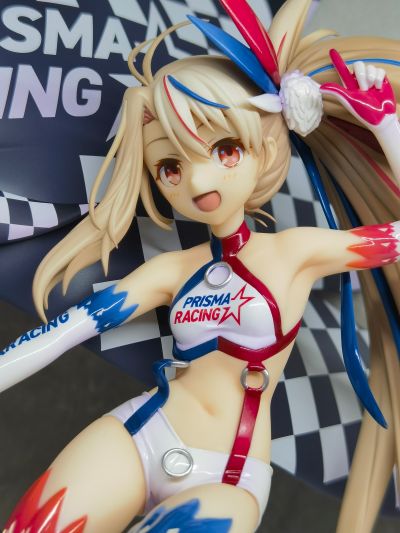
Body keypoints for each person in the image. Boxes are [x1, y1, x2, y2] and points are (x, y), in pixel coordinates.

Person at [1, 0, 399, 531]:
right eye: (170, 166)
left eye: (225, 150)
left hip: (229, 475)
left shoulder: (295, 253)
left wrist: (386, 124)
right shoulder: (173, 271)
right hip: (142, 431)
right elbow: (62, 334)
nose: (195, 180)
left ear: (263, 148)